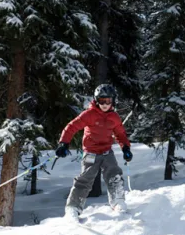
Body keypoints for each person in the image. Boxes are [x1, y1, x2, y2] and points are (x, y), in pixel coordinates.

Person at [55, 84, 133, 221]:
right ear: (97, 100)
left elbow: (120, 134)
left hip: (107, 151)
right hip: (91, 152)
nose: (105, 104)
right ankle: (73, 208)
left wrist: (125, 148)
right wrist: (64, 143)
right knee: (85, 179)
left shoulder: (114, 117)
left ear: (113, 101)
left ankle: (118, 202)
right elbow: (72, 127)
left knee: (114, 174)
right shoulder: (89, 114)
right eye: (102, 101)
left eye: (108, 101)